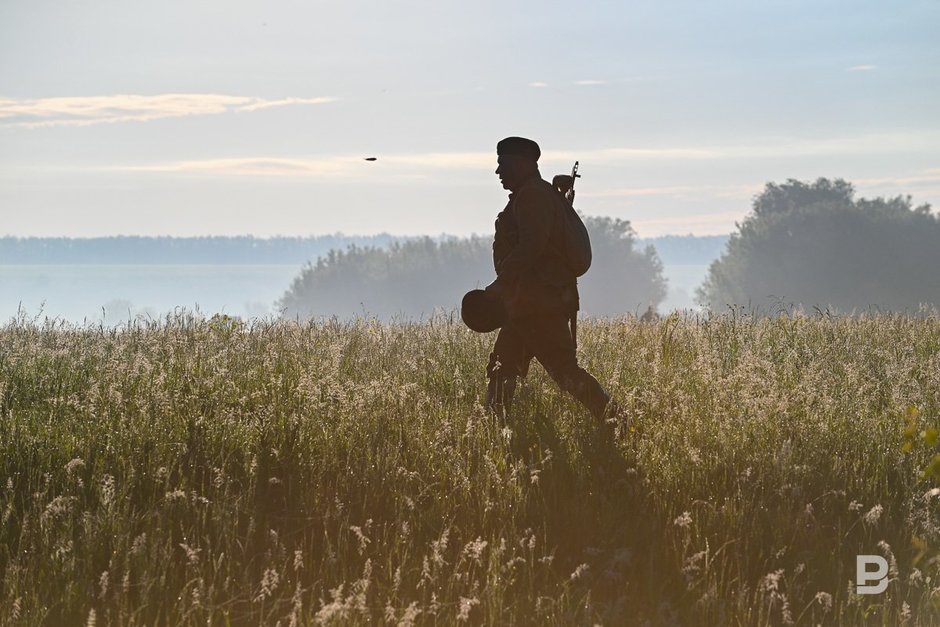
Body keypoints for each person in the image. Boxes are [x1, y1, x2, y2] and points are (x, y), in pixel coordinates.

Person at [483, 136, 617, 424]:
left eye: (502, 164)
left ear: (521, 164)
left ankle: (618, 423)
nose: (498, 172)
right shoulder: (534, 194)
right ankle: (495, 432)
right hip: (527, 307)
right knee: (502, 369)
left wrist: (501, 282)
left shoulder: (532, 196)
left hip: (539, 307)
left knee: (564, 372)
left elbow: (532, 246)